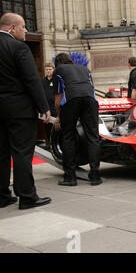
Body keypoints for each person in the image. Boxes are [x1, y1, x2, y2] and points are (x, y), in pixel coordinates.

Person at [0, 12, 52, 210]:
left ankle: (2, 195)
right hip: (19, 110)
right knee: (22, 152)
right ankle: (27, 196)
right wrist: (43, 106)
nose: (26, 30)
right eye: (23, 27)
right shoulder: (18, 47)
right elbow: (31, 80)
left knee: (1, 153)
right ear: (12, 28)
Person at [53, 53, 102, 186]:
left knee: (68, 136)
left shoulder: (58, 71)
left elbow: (58, 99)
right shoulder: (85, 69)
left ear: (57, 63)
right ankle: (95, 175)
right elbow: (92, 90)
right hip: (90, 100)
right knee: (93, 136)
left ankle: (70, 177)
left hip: (71, 99)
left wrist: (58, 116)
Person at [41, 62, 57, 147]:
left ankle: (55, 144)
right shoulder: (42, 81)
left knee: (56, 127)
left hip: (55, 108)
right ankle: (48, 144)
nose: (48, 71)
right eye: (46, 69)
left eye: (50, 69)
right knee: (47, 127)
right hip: (46, 108)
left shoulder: (56, 81)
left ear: (53, 69)